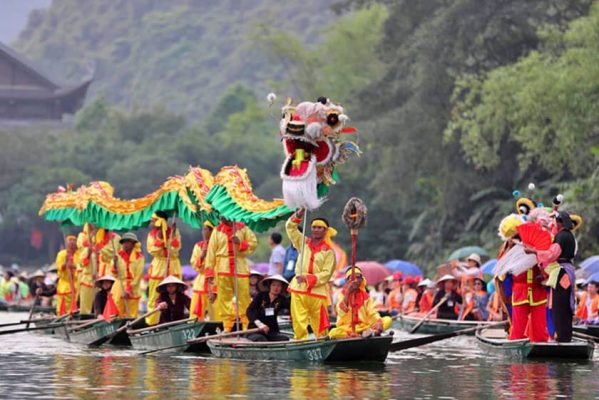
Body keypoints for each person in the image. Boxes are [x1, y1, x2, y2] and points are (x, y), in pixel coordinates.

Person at [286, 208, 336, 340]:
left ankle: (322, 343)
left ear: (325, 230)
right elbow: (290, 227)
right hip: (299, 288)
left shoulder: (329, 251)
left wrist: (308, 278)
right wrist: (299, 213)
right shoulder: (302, 242)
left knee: (320, 324)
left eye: (320, 227)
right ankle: (300, 343)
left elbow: (327, 274)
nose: (316, 230)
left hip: (317, 291)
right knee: (298, 321)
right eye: (314, 227)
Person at [205, 217, 257, 332]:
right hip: (222, 267)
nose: (220, 217)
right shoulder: (217, 230)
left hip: (240, 267)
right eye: (219, 215)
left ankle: (246, 325)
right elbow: (211, 253)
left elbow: (253, 244)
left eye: (223, 214)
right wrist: (209, 273)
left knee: (244, 298)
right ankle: (227, 326)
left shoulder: (242, 228)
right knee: (224, 298)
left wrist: (240, 243)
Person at [329, 266, 392, 339]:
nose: (356, 280)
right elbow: (341, 312)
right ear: (347, 281)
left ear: (361, 280)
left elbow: (372, 313)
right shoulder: (342, 294)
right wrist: (348, 292)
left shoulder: (366, 296)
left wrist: (378, 322)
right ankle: (361, 335)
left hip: (365, 327)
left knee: (388, 320)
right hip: (347, 328)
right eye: (353, 278)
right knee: (333, 333)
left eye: (358, 277)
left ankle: (371, 332)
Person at [146, 211, 182, 325]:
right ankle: (152, 323)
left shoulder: (174, 232)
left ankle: (175, 322)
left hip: (173, 266)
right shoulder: (152, 234)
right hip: (158, 267)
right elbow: (153, 251)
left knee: (175, 297)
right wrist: (161, 239)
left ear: (160, 221)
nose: (151, 223)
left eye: (153, 220)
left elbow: (176, 250)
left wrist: (171, 237)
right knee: (154, 296)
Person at [246, 275, 291, 342]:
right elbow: (249, 310)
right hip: (256, 329)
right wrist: (260, 324)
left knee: (284, 339)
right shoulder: (261, 295)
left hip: (272, 331)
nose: (276, 288)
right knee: (261, 339)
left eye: (279, 286)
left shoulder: (282, 299)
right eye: (273, 285)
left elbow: (293, 308)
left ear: (282, 287)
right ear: (269, 286)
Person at [112, 232, 145, 318]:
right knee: (117, 311)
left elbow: (138, 276)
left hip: (133, 288)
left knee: (132, 314)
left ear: (133, 244)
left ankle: (131, 328)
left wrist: (129, 290)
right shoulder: (117, 256)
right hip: (119, 286)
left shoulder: (140, 258)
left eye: (128, 242)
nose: (125, 244)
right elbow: (114, 273)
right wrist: (114, 263)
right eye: (124, 242)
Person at [189, 221, 215, 321]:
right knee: (196, 310)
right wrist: (202, 256)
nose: (203, 232)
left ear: (212, 231)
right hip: (201, 281)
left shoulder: (218, 246)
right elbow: (194, 265)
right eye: (203, 229)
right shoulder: (199, 246)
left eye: (205, 229)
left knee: (215, 312)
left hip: (214, 282)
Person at [55, 235, 80, 316]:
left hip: (77, 283)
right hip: (65, 284)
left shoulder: (79, 254)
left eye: (74, 240)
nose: (72, 242)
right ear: (66, 243)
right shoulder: (62, 254)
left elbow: (82, 266)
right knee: (62, 306)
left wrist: (73, 266)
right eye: (70, 240)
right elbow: (59, 267)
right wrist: (65, 263)